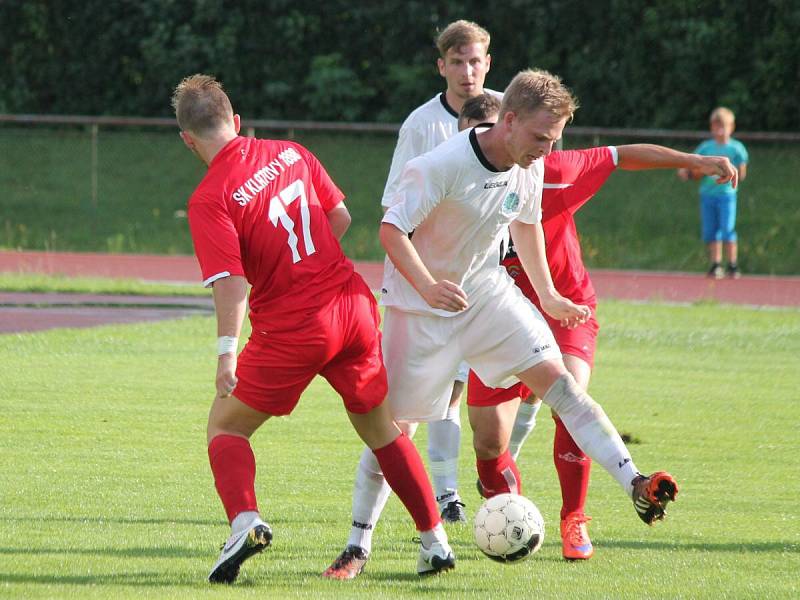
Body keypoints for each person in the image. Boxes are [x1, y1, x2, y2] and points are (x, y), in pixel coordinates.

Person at [327, 68, 684, 580]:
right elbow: (390, 230)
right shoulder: (441, 165)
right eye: (540, 137)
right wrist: (428, 285)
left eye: (555, 139)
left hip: (487, 293)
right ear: (509, 120)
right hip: (421, 310)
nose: (546, 148)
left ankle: (634, 481)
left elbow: (527, 222)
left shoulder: (528, 160)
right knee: (393, 431)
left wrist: (549, 295)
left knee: (560, 384)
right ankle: (357, 546)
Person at [172, 74, 454, 584]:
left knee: (226, 427)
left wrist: (226, 354)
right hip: (352, 307)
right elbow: (339, 217)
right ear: (237, 122)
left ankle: (244, 523)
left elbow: (232, 283)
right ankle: (435, 541)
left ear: (187, 141)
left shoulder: (209, 198)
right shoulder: (291, 152)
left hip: (295, 329)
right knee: (383, 432)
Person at [459, 94, 738, 561]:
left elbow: (622, 154)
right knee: (489, 441)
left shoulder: (558, 172)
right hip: (498, 315)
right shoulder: (458, 181)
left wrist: (697, 159)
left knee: (570, 398)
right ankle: (506, 512)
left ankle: (574, 518)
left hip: (566, 307)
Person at [381, 20, 500, 527]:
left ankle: (450, 493)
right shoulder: (421, 125)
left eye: (475, 61)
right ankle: (388, 514)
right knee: (409, 406)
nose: (467, 71)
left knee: (468, 391)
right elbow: (394, 206)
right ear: (442, 66)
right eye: (457, 62)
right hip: (424, 281)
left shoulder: (506, 114)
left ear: (488, 63)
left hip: (481, 280)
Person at [678, 106, 749, 279]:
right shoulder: (706, 148)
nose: (720, 131)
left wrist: (728, 174)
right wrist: (686, 171)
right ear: (711, 128)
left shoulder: (736, 149)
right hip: (708, 194)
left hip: (727, 195)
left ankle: (732, 264)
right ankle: (716, 264)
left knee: (728, 229)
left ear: (731, 127)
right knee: (711, 230)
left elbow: (742, 173)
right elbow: (692, 164)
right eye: (716, 127)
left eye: (723, 126)